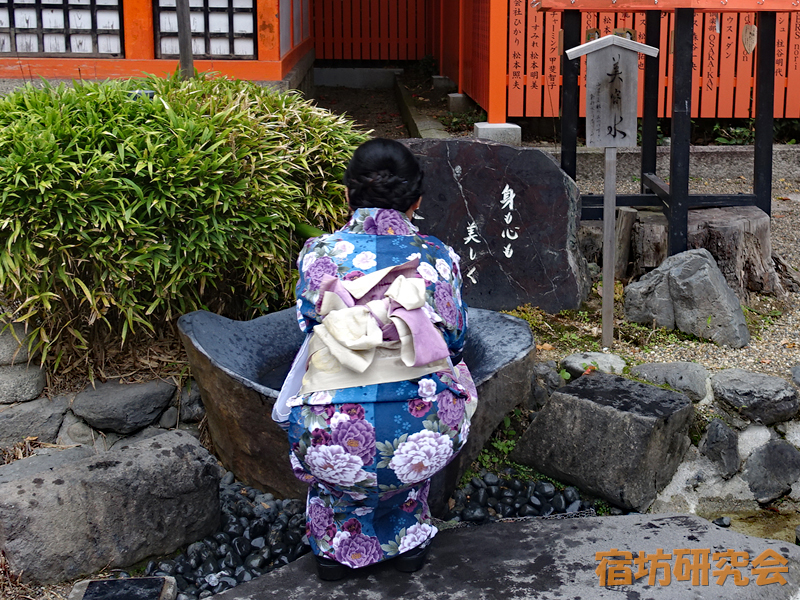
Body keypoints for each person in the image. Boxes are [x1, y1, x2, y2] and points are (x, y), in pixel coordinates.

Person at [273, 138, 477, 580]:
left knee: (327, 415)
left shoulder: (319, 254)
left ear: (347, 193)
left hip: (330, 432)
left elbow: (308, 327)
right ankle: (407, 537)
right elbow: (457, 338)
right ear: (417, 200)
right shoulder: (438, 255)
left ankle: (334, 549)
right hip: (423, 433)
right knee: (446, 380)